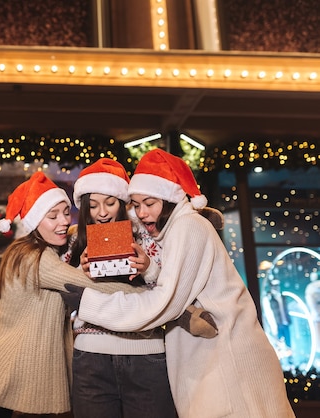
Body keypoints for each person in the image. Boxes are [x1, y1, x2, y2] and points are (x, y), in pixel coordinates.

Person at [61, 149, 295, 418]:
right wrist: (146, 272)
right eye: (136, 205)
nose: (143, 212)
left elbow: (164, 304)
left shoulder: (187, 228)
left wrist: (90, 303)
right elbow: (180, 285)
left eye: (149, 203)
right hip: (208, 357)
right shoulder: (174, 231)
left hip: (224, 356)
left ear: (169, 198)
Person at [0, 171, 143, 418]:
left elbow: (70, 264)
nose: (63, 222)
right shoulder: (38, 259)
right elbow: (93, 286)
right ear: (35, 222)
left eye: (66, 213)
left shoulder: (33, 251)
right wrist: (146, 292)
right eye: (52, 216)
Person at [64, 158, 217, 418]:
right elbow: (66, 294)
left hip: (146, 355)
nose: (102, 212)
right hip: (92, 356)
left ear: (123, 204)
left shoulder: (148, 234)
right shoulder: (76, 241)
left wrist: (148, 267)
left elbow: (173, 292)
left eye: (110, 202)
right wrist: (82, 271)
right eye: (92, 206)